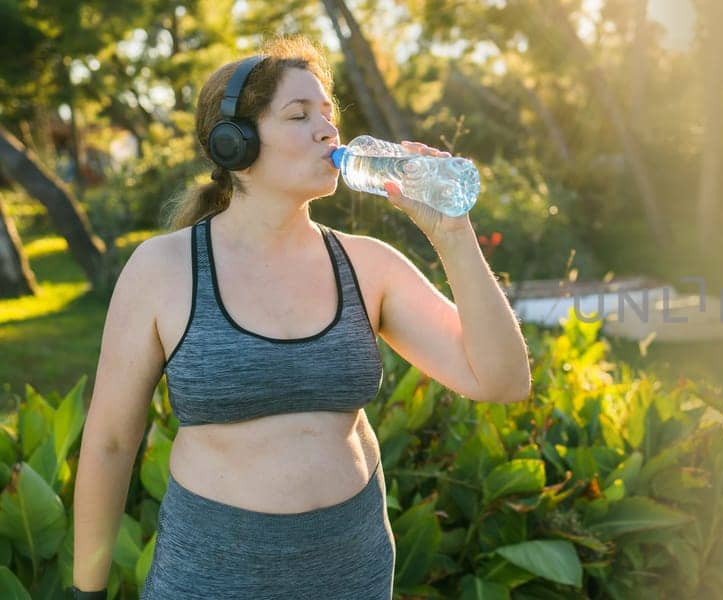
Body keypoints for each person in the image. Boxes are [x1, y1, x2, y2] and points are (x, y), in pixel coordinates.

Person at [69, 36, 532, 599]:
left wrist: (453, 234)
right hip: (209, 579)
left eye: (328, 114)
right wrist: (86, 591)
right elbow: (112, 442)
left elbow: (502, 381)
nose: (328, 131)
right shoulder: (164, 269)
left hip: (351, 575)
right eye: (299, 115)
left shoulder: (367, 265)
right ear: (234, 144)